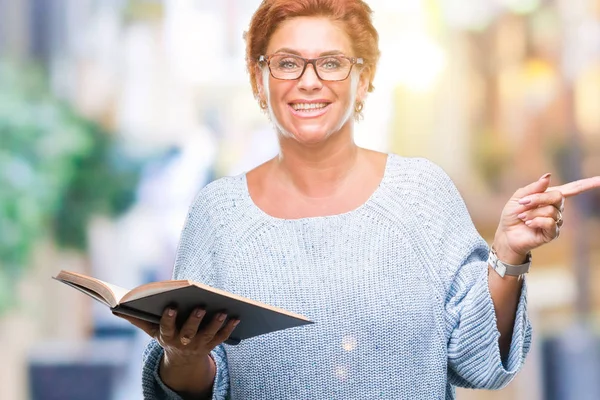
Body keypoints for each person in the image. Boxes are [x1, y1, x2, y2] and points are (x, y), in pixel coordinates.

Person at [116, 0, 600, 398]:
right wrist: (183, 355)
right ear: (258, 78)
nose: (309, 80)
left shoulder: (421, 195)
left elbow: (477, 363)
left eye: (332, 62)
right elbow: (194, 390)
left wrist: (510, 252)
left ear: (363, 78)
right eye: (287, 62)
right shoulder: (217, 213)